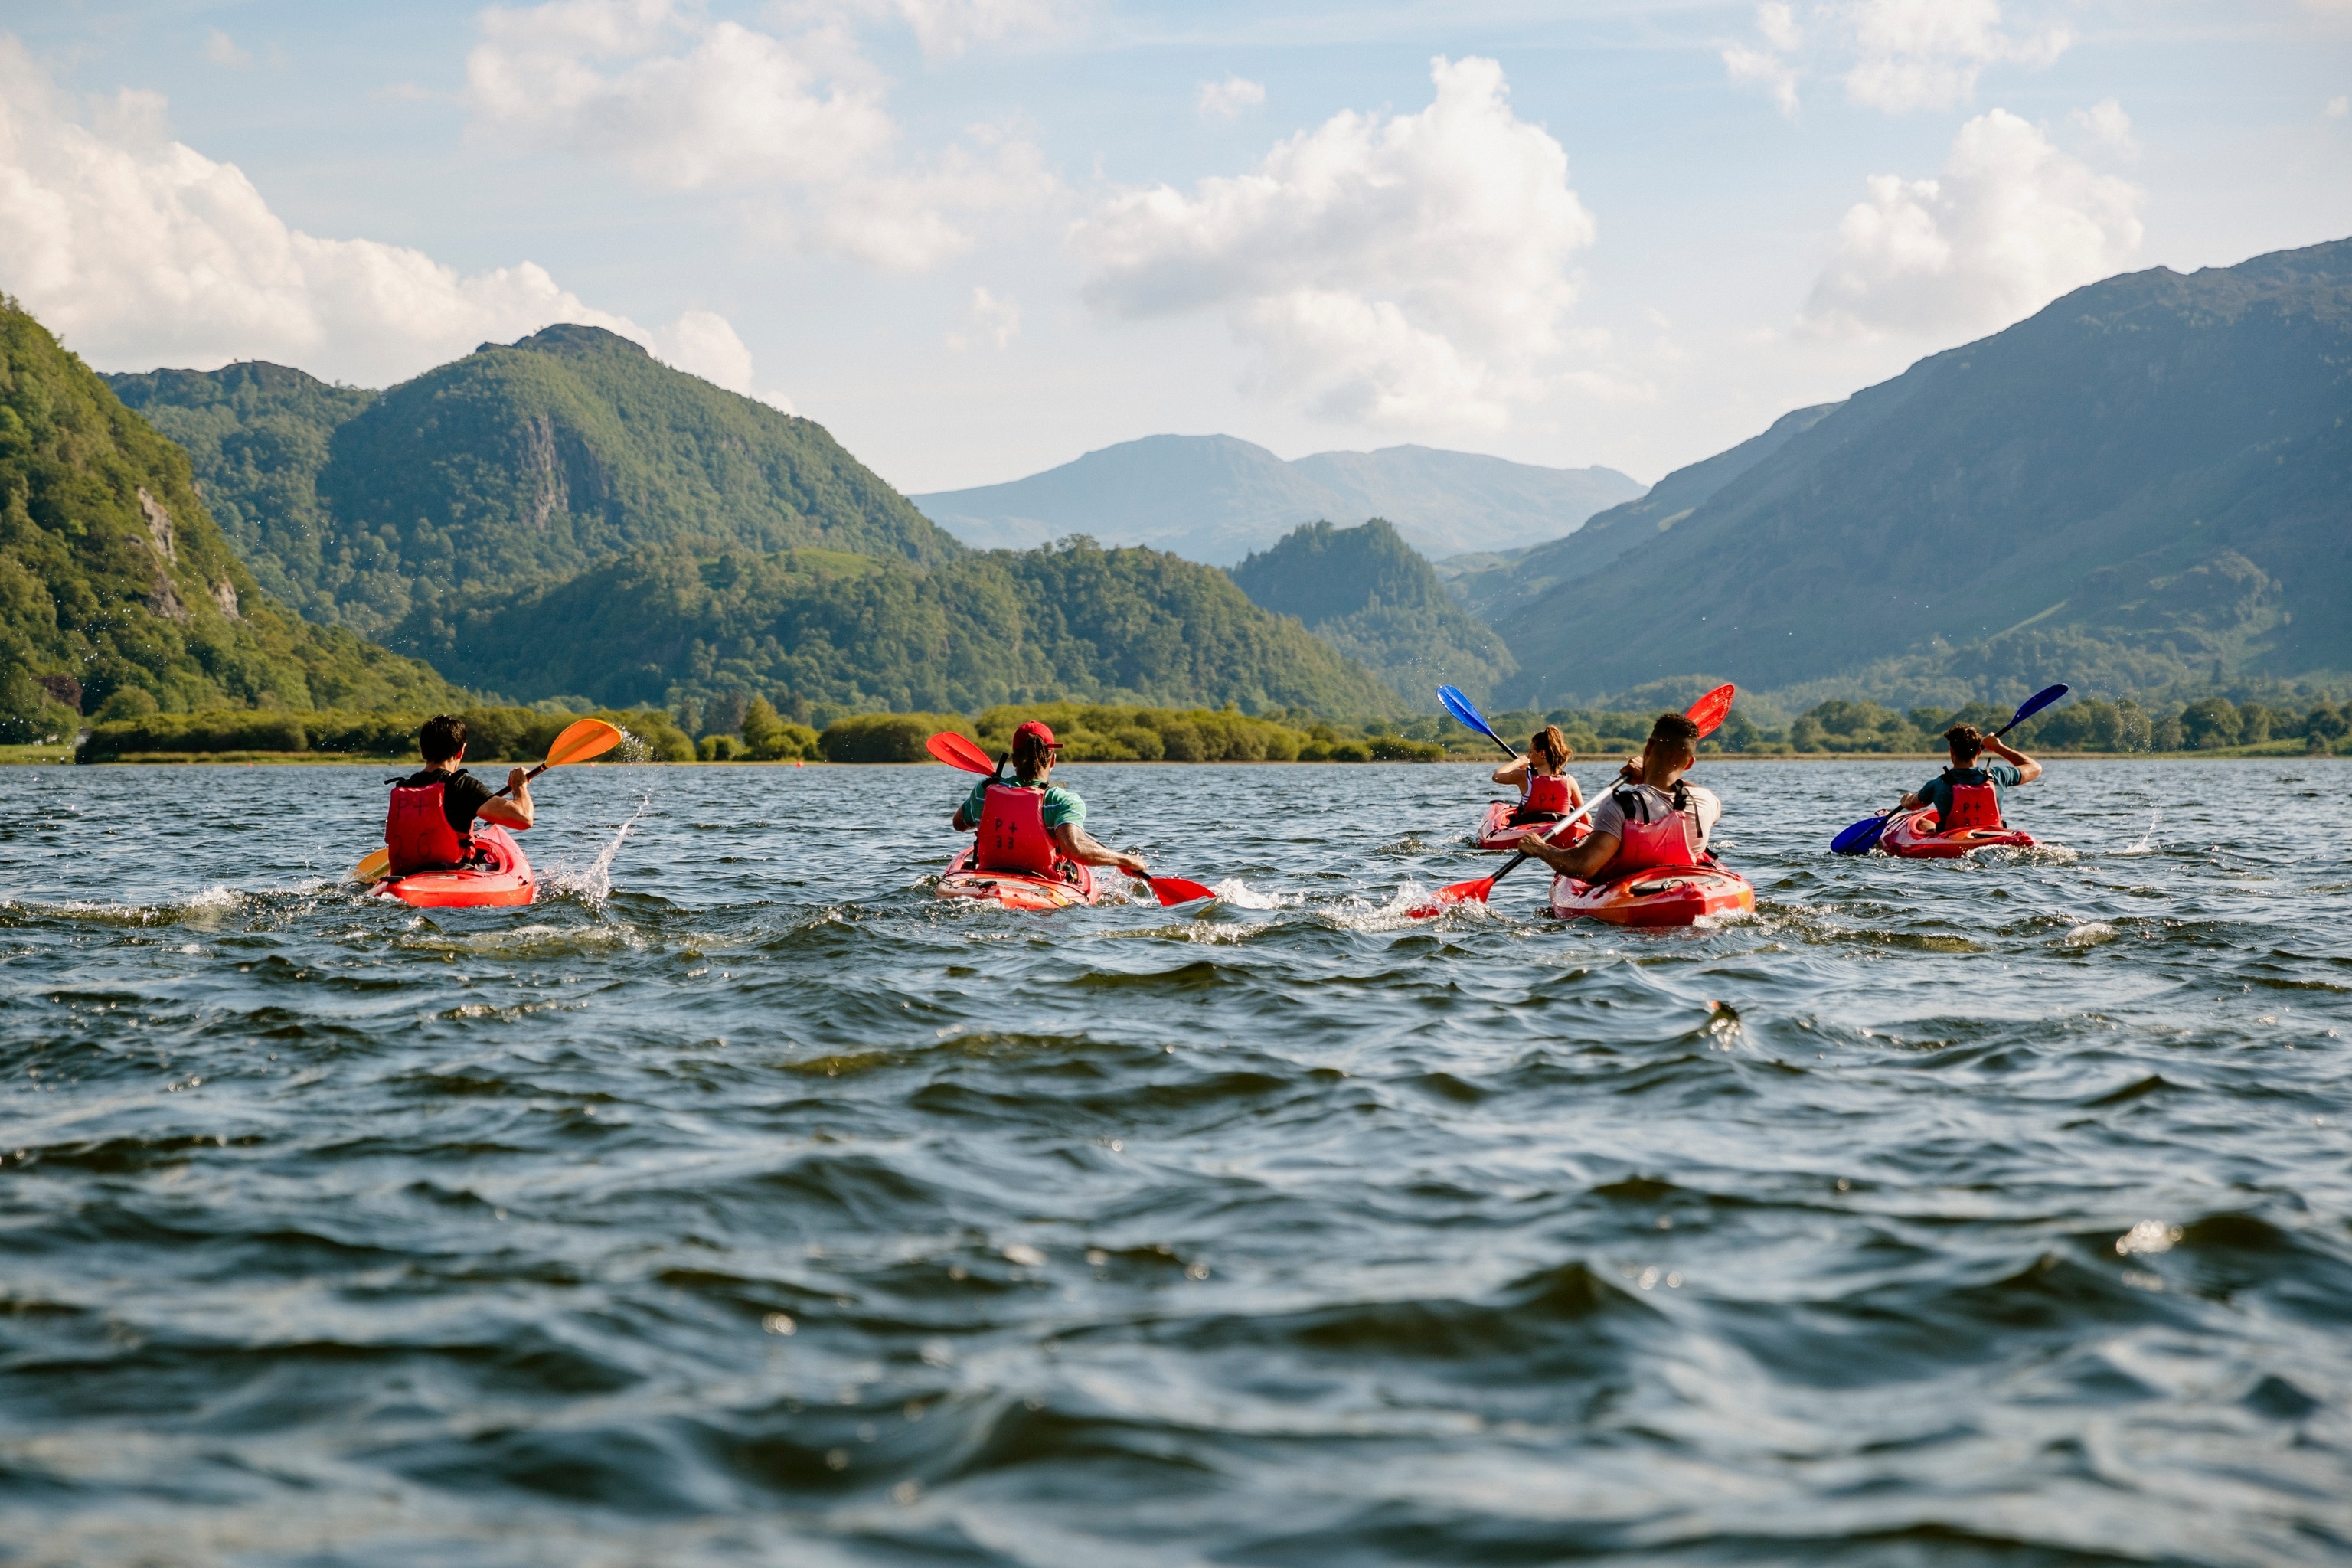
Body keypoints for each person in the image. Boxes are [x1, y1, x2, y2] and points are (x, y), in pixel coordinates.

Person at [1524, 711, 1722, 884]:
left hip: (1631, 900)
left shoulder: (1620, 805)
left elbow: (1584, 866)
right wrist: (1647, 776)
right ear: (1689, 764)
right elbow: (1676, 791)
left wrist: (1540, 849)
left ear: (1648, 749)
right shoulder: (1706, 801)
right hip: (1688, 889)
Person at [949, 720, 1148, 880]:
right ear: (1052, 760)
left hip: (988, 878)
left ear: (1014, 760)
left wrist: (993, 790)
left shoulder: (984, 790)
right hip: (1042, 885)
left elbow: (959, 824)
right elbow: (1075, 849)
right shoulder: (1062, 800)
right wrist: (1124, 859)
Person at [384, 714, 534, 874]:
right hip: (454, 875)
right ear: (460, 751)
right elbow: (523, 819)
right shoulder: (461, 786)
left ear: (422, 751)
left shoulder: (403, 788)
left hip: (405, 875)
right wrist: (519, 786)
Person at [1896, 724, 2041, 831]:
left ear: (1952, 751)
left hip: (1954, 841)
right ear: (1979, 752)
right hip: (1994, 837)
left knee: (1922, 822)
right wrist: (1998, 747)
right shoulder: (1998, 776)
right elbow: (2035, 768)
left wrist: (1907, 800)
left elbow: (1913, 805)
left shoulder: (1938, 784)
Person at [1491, 724, 1583, 825]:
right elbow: (1586, 819)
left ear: (1543, 754)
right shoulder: (1570, 781)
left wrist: (1518, 762)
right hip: (1559, 831)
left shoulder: (1524, 777)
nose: (1529, 756)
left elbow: (1497, 776)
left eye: (1531, 752)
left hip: (1530, 833)